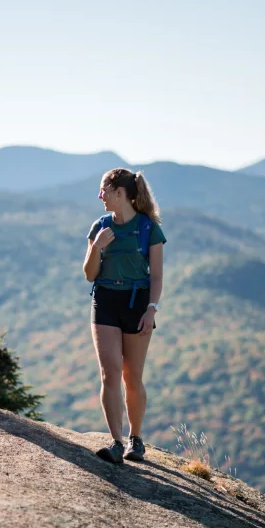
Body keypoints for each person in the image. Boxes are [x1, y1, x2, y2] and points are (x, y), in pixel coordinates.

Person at [83, 168, 165, 463]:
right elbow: (89, 273)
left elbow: (156, 276)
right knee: (110, 373)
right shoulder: (100, 227)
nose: (100, 195)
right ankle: (116, 441)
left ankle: (136, 439)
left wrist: (151, 309)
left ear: (120, 192)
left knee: (133, 377)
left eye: (103, 189)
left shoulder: (148, 229)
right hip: (104, 300)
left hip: (137, 303)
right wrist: (97, 247)